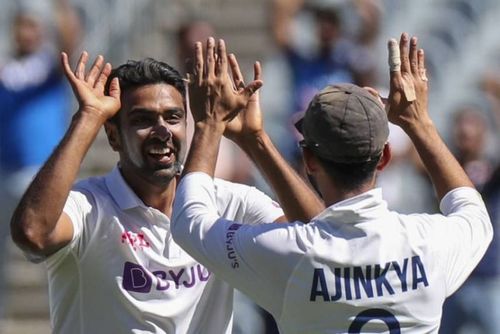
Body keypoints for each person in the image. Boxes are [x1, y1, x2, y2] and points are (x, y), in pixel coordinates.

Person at [171, 33, 493, 332]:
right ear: (384, 158)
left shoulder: (289, 252)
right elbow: (472, 212)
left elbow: (189, 222)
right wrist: (418, 122)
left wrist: (209, 124)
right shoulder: (428, 243)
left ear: (309, 161)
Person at [9, 41, 323, 333]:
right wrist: (89, 115)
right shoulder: (89, 205)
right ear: (114, 136)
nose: (162, 130)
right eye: (142, 120)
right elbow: (33, 234)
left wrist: (255, 139)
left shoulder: (228, 201)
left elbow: (323, 242)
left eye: (173, 117)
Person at [0, 0, 80, 319]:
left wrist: (60, 6)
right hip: (5, 173)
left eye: (32, 26)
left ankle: (69, 316)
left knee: (59, 253)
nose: (26, 32)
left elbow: (70, 40)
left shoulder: (49, 66)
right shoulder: (6, 69)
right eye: (22, 26)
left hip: (43, 177)